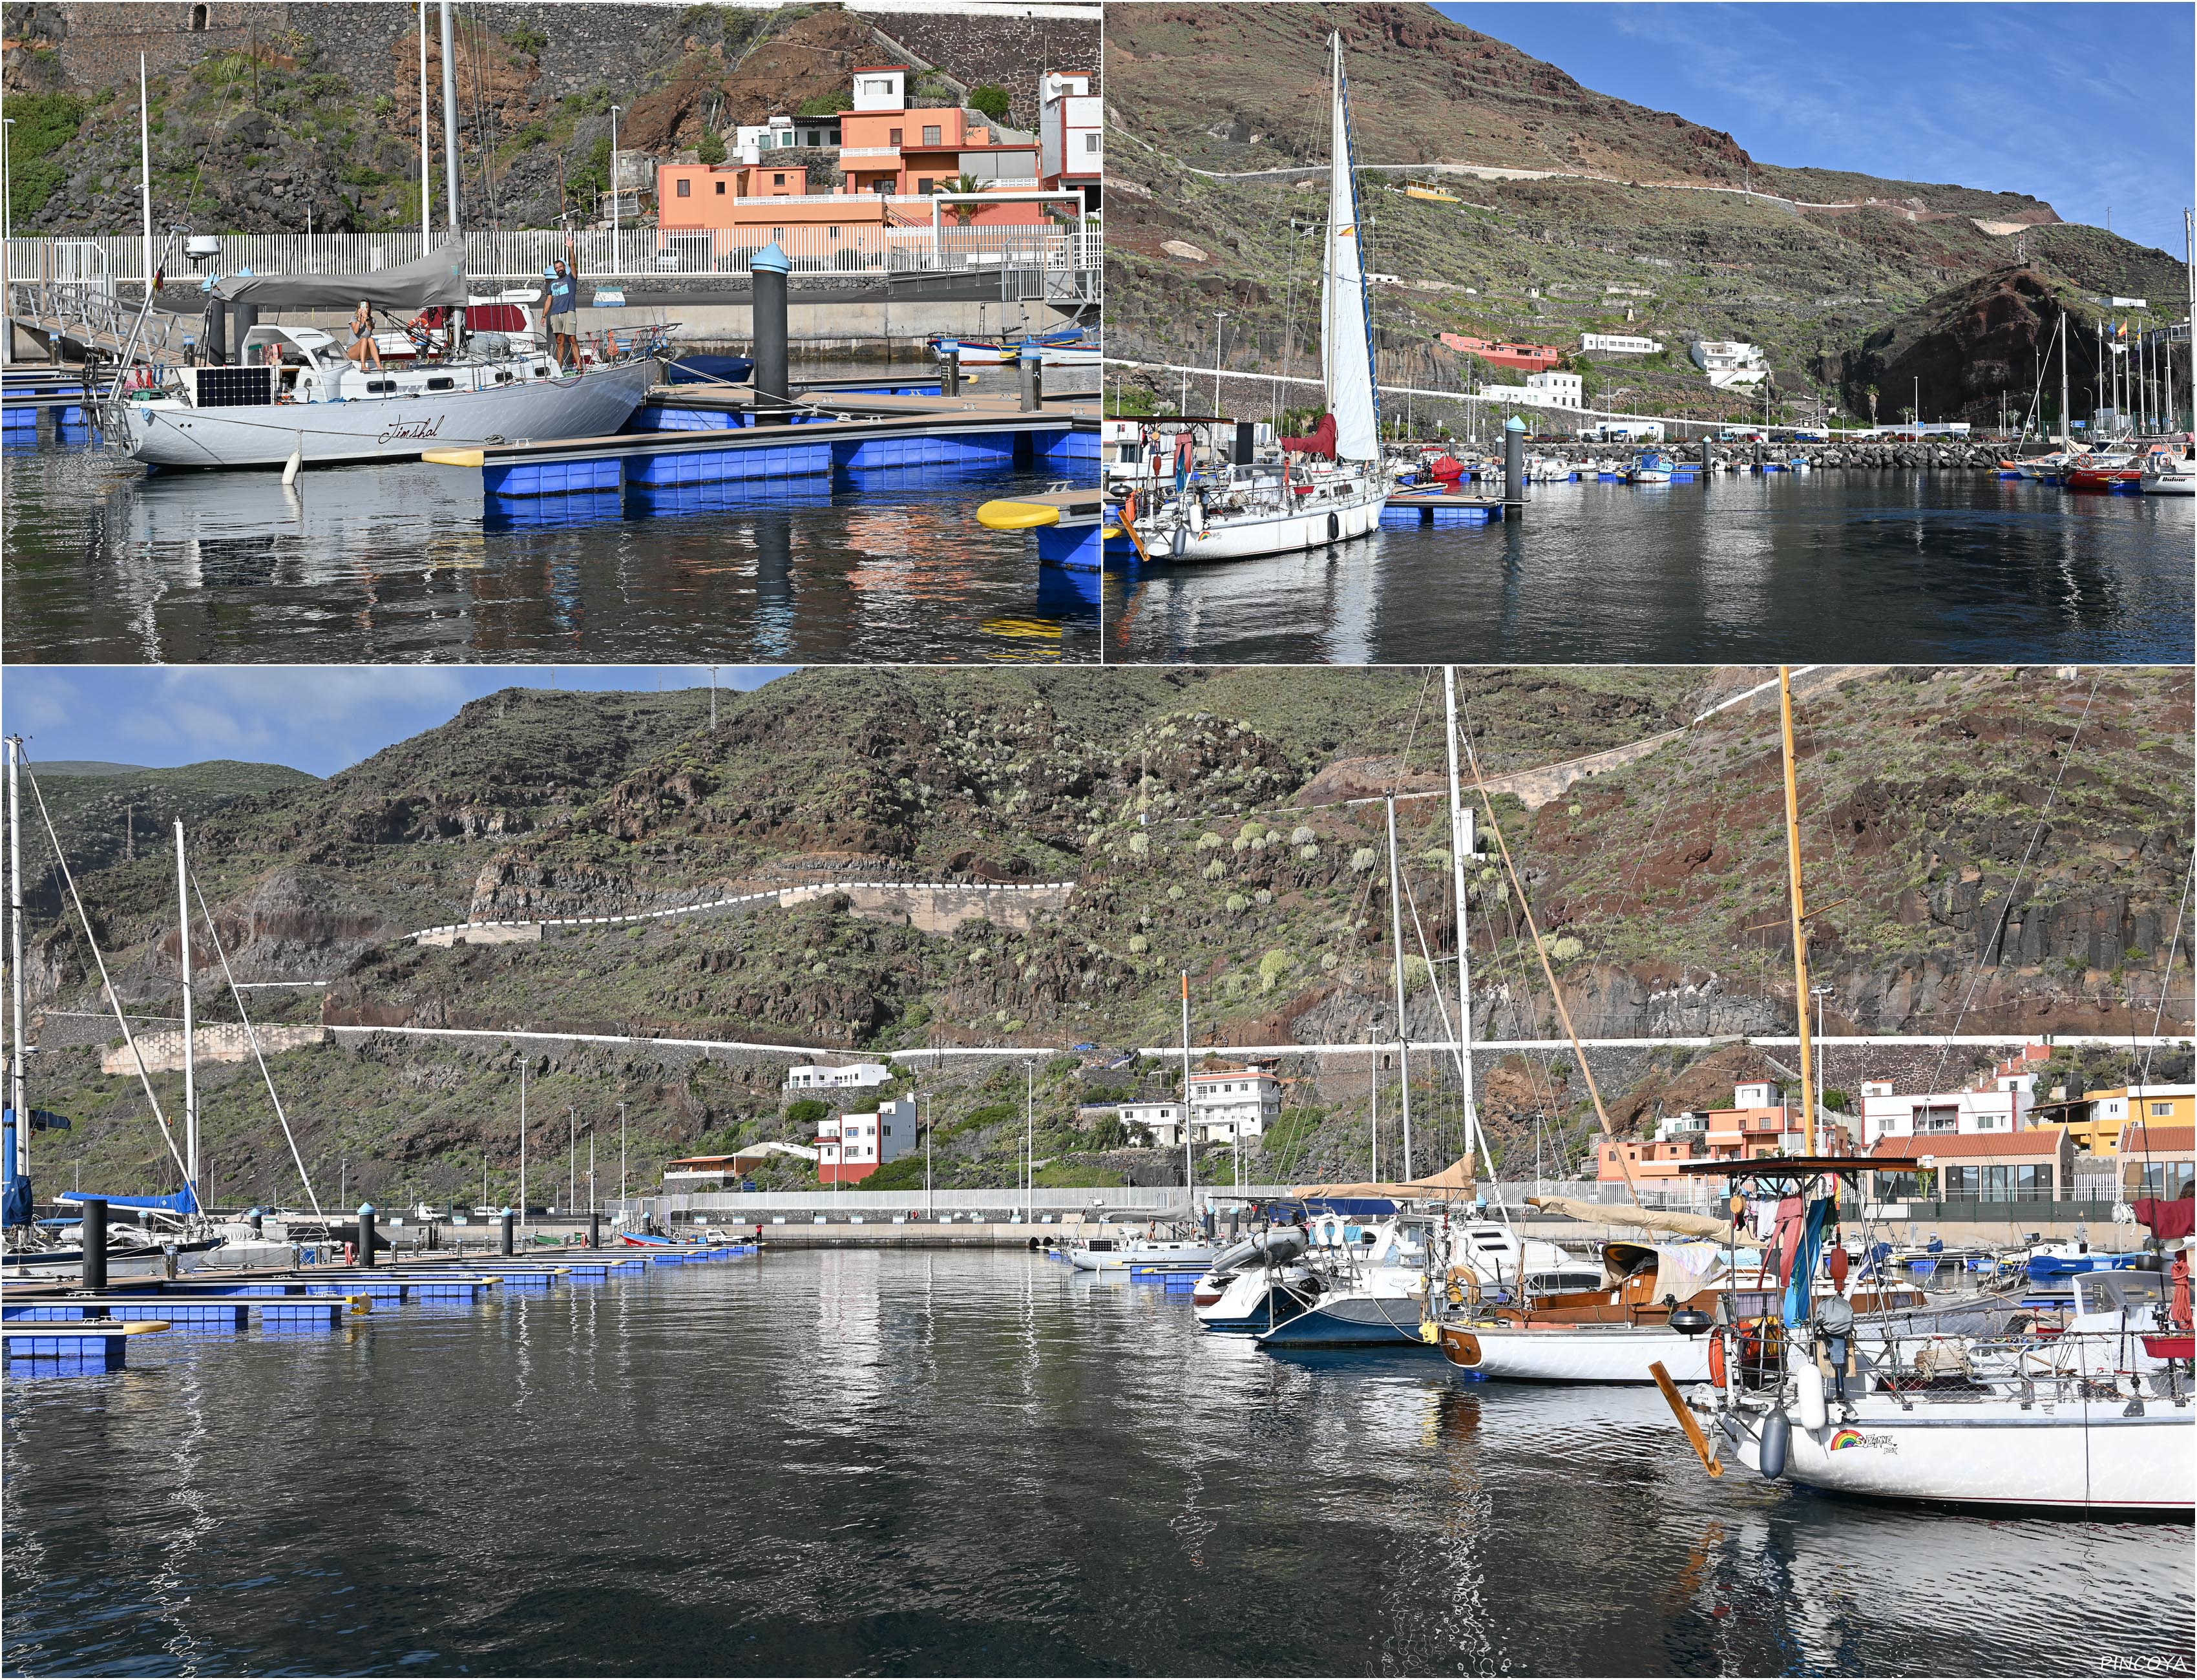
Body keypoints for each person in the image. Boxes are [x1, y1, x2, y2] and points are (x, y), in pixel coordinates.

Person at [546, 260, 578, 369]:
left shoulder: (571, 279)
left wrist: (571, 248)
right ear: (555, 270)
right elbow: (549, 300)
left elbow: (573, 263)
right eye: (557, 268)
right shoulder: (552, 283)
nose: (559, 269)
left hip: (568, 312)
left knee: (572, 339)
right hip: (555, 314)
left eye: (561, 267)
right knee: (559, 341)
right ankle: (559, 368)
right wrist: (543, 315)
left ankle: (579, 366)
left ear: (565, 267)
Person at [347, 300, 382, 370]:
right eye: (363, 307)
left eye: (367, 307)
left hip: (365, 352)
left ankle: (379, 365)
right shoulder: (354, 318)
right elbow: (356, 331)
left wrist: (366, 318)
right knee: (364, 340)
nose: (365, 309)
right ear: (359, 308)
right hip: (353, 351)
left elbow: (370, 328)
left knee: (371, 339)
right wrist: (359, 319)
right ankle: (363, 366)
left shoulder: (372, 320)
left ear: (369, 309)